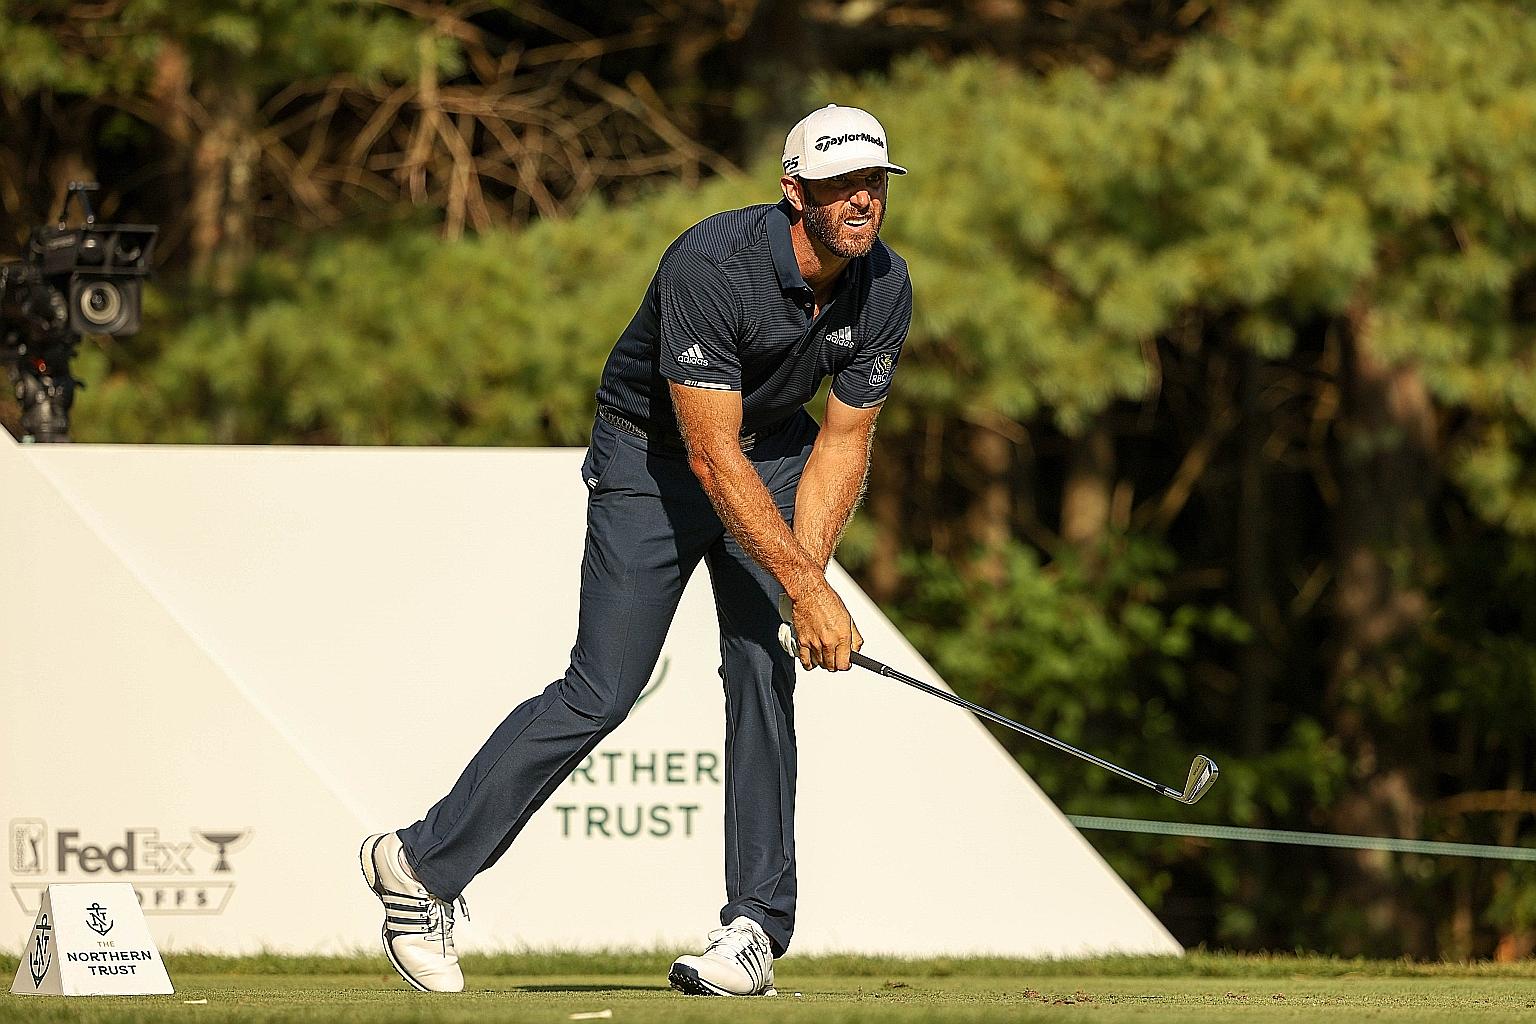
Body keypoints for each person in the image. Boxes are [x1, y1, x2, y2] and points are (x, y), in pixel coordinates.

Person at [360, 103, 913, 997]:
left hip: (772, 451)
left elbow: (843, 441)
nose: (862, 202)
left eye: (874, 185)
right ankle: (417, 867)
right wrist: (807, 594)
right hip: (652, 459)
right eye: (841, 185)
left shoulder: (885, 284)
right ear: (793, 190)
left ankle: (753, 930)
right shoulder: (710, 263)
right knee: (603, 688)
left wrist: (801, 587)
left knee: (763, 666)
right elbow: (706, 452)